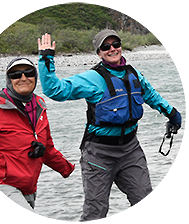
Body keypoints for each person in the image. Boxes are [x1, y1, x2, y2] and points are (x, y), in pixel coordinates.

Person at [38, 30, 182, 222]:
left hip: (131, 150)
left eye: (116, 44)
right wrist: (46, 59)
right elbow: (55, 90)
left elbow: (151, 96)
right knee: (96, 212)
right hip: (99, 153)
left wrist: (172, 114)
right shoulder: (92, 78)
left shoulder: (134, 74)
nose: (112, 49)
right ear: (99, 53)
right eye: (106, 47)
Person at [0, 57, 75, 209]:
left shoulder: (39, 106)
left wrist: (68, 169)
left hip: (28, 188)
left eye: (28, 73)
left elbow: (47, 149)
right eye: (16, 75)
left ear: (35, 77)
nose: (23, 78)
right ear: (9, 80)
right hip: (1, 185)